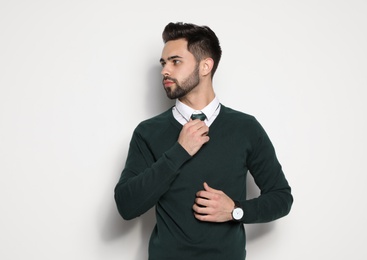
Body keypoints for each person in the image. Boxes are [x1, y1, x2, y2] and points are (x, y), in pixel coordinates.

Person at [114, 22, 293, 260]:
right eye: (163, 63)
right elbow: (127, 205)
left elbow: (281, 196)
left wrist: (236, 210)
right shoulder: (148, 132)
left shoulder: (246, 128)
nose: (165, 71)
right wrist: (179, 151)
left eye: (175, 61)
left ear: (205, 66)